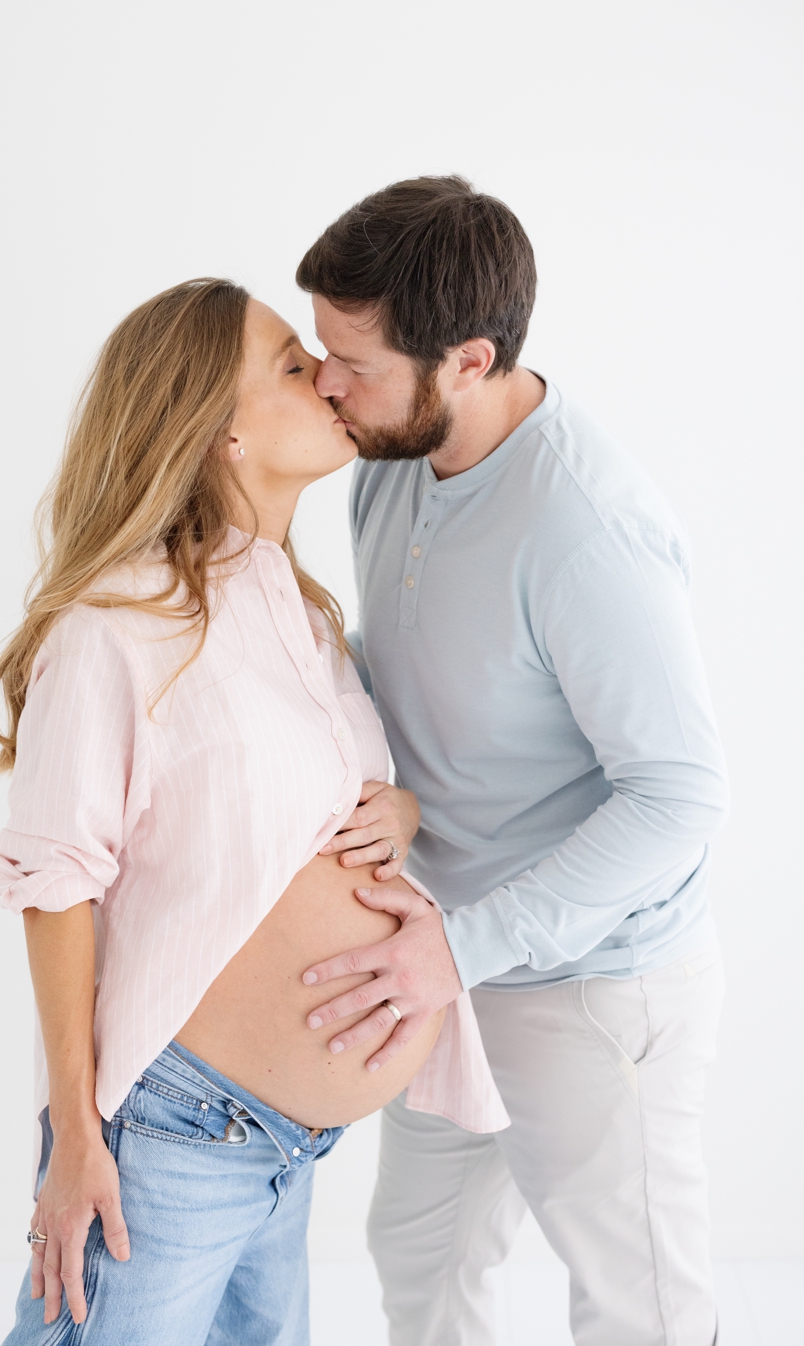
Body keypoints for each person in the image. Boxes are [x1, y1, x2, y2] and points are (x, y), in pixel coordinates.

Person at [0, 278, 503, 1346]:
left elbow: (306, 813)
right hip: (171, 1137)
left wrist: (399, 811)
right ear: (223, 430)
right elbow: (57, 883)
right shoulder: (115, 624)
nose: (330, 379)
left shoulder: (303, 615)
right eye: (294, 366)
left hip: (287, 1150)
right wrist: (74, 1135)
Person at [296, 177, 729, 1346]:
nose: (325, 382)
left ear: (469, 361)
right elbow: (423, 666)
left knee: (639, 1306)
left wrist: (464, 945)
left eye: (355, 364)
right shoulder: (394, 453)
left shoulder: (586, 527)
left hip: (592, 981)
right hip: (448, 951)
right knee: (421, 1256)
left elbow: (680, 794)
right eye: (323, 351)